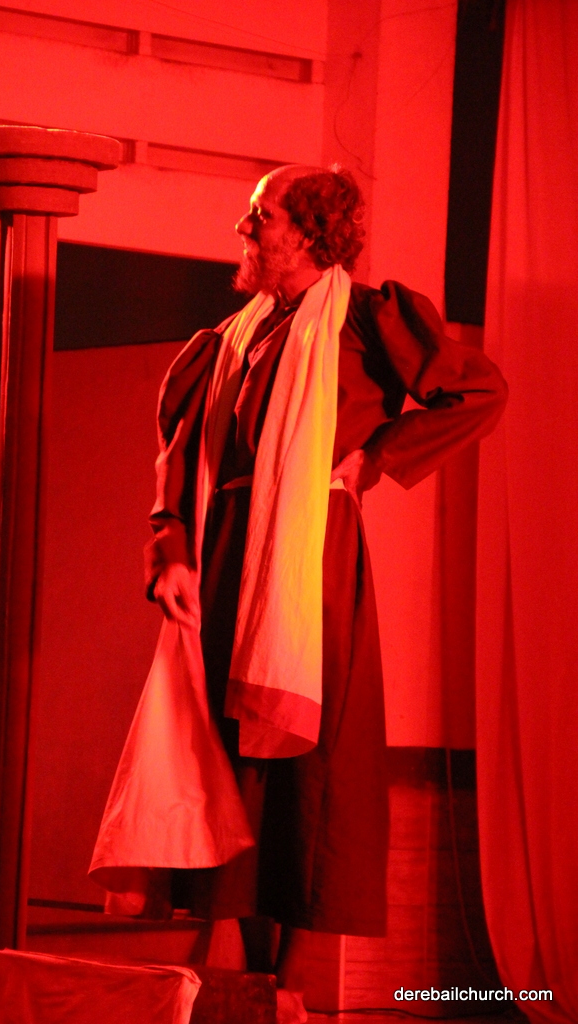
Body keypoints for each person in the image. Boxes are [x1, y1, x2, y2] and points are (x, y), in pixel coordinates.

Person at [144, 164, 507, 1024]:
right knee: (222, 750)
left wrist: (374, 458)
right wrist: (171, 551)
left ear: (307, 233)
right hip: (223, 554)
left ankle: (295, 982)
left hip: (311, 550)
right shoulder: (227, 340)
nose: (244, 229)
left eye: (260, 216)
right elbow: (179, 455)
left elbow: (477, 393)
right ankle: (234, 967)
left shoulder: (362, 320)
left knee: (309, 755)